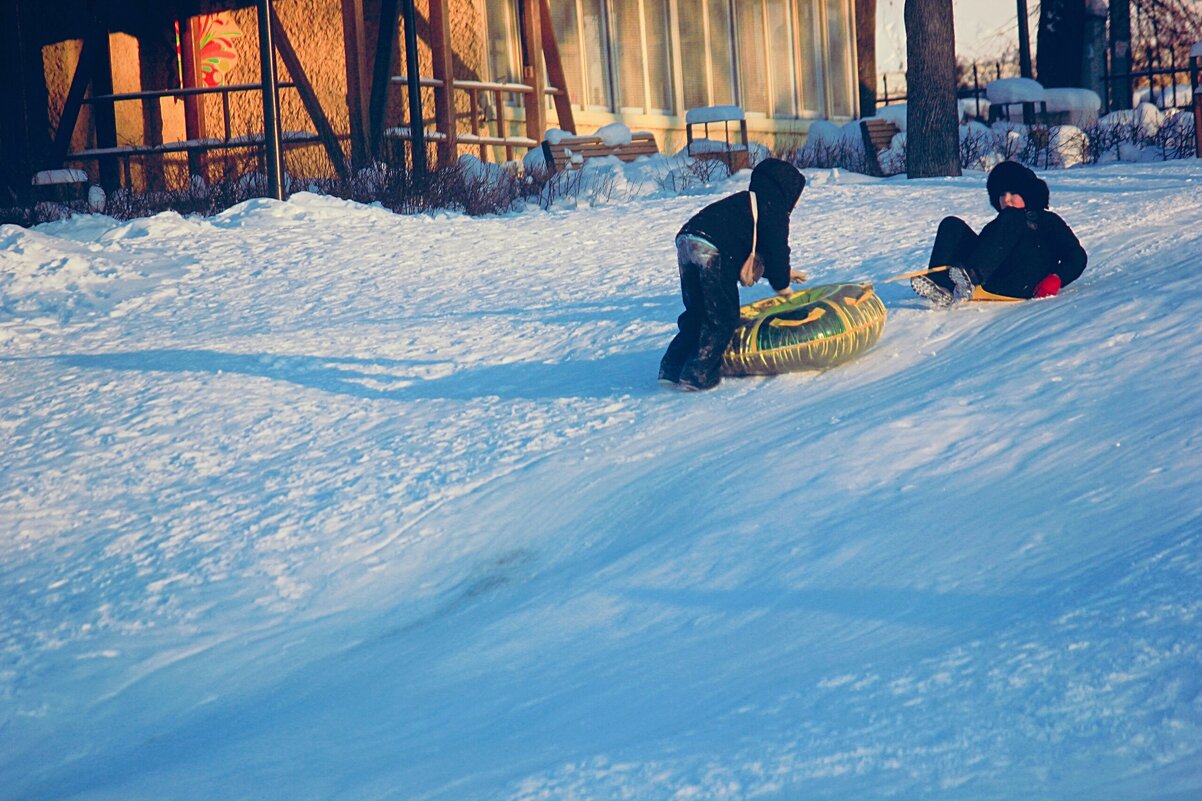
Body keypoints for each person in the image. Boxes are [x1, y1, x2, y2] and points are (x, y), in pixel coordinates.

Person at [659, 158, 808, 391]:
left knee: (698, 311)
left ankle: (671, 367)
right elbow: (777, 248)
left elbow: (746, 252)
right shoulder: (774, 209)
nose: (796, 205)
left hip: (688, 241)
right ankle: (698, 374)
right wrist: (783, 286)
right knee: (722, 316)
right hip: (711, 249)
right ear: (787, 190)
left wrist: (785, 273)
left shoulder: (745, 203)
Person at [911, 160, 1087, 306]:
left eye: (1014, 193)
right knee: (952, 225)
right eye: (1002, 194)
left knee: (1013, 217)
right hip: (992, 280)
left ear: (1028, 194)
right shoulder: (998, 226)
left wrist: (1056, 278)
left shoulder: (1048, 221)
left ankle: (971, 276)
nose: (1006, 200)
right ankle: (941, 286)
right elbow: (986, 251)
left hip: (1022, 282)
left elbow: (1077, 256)